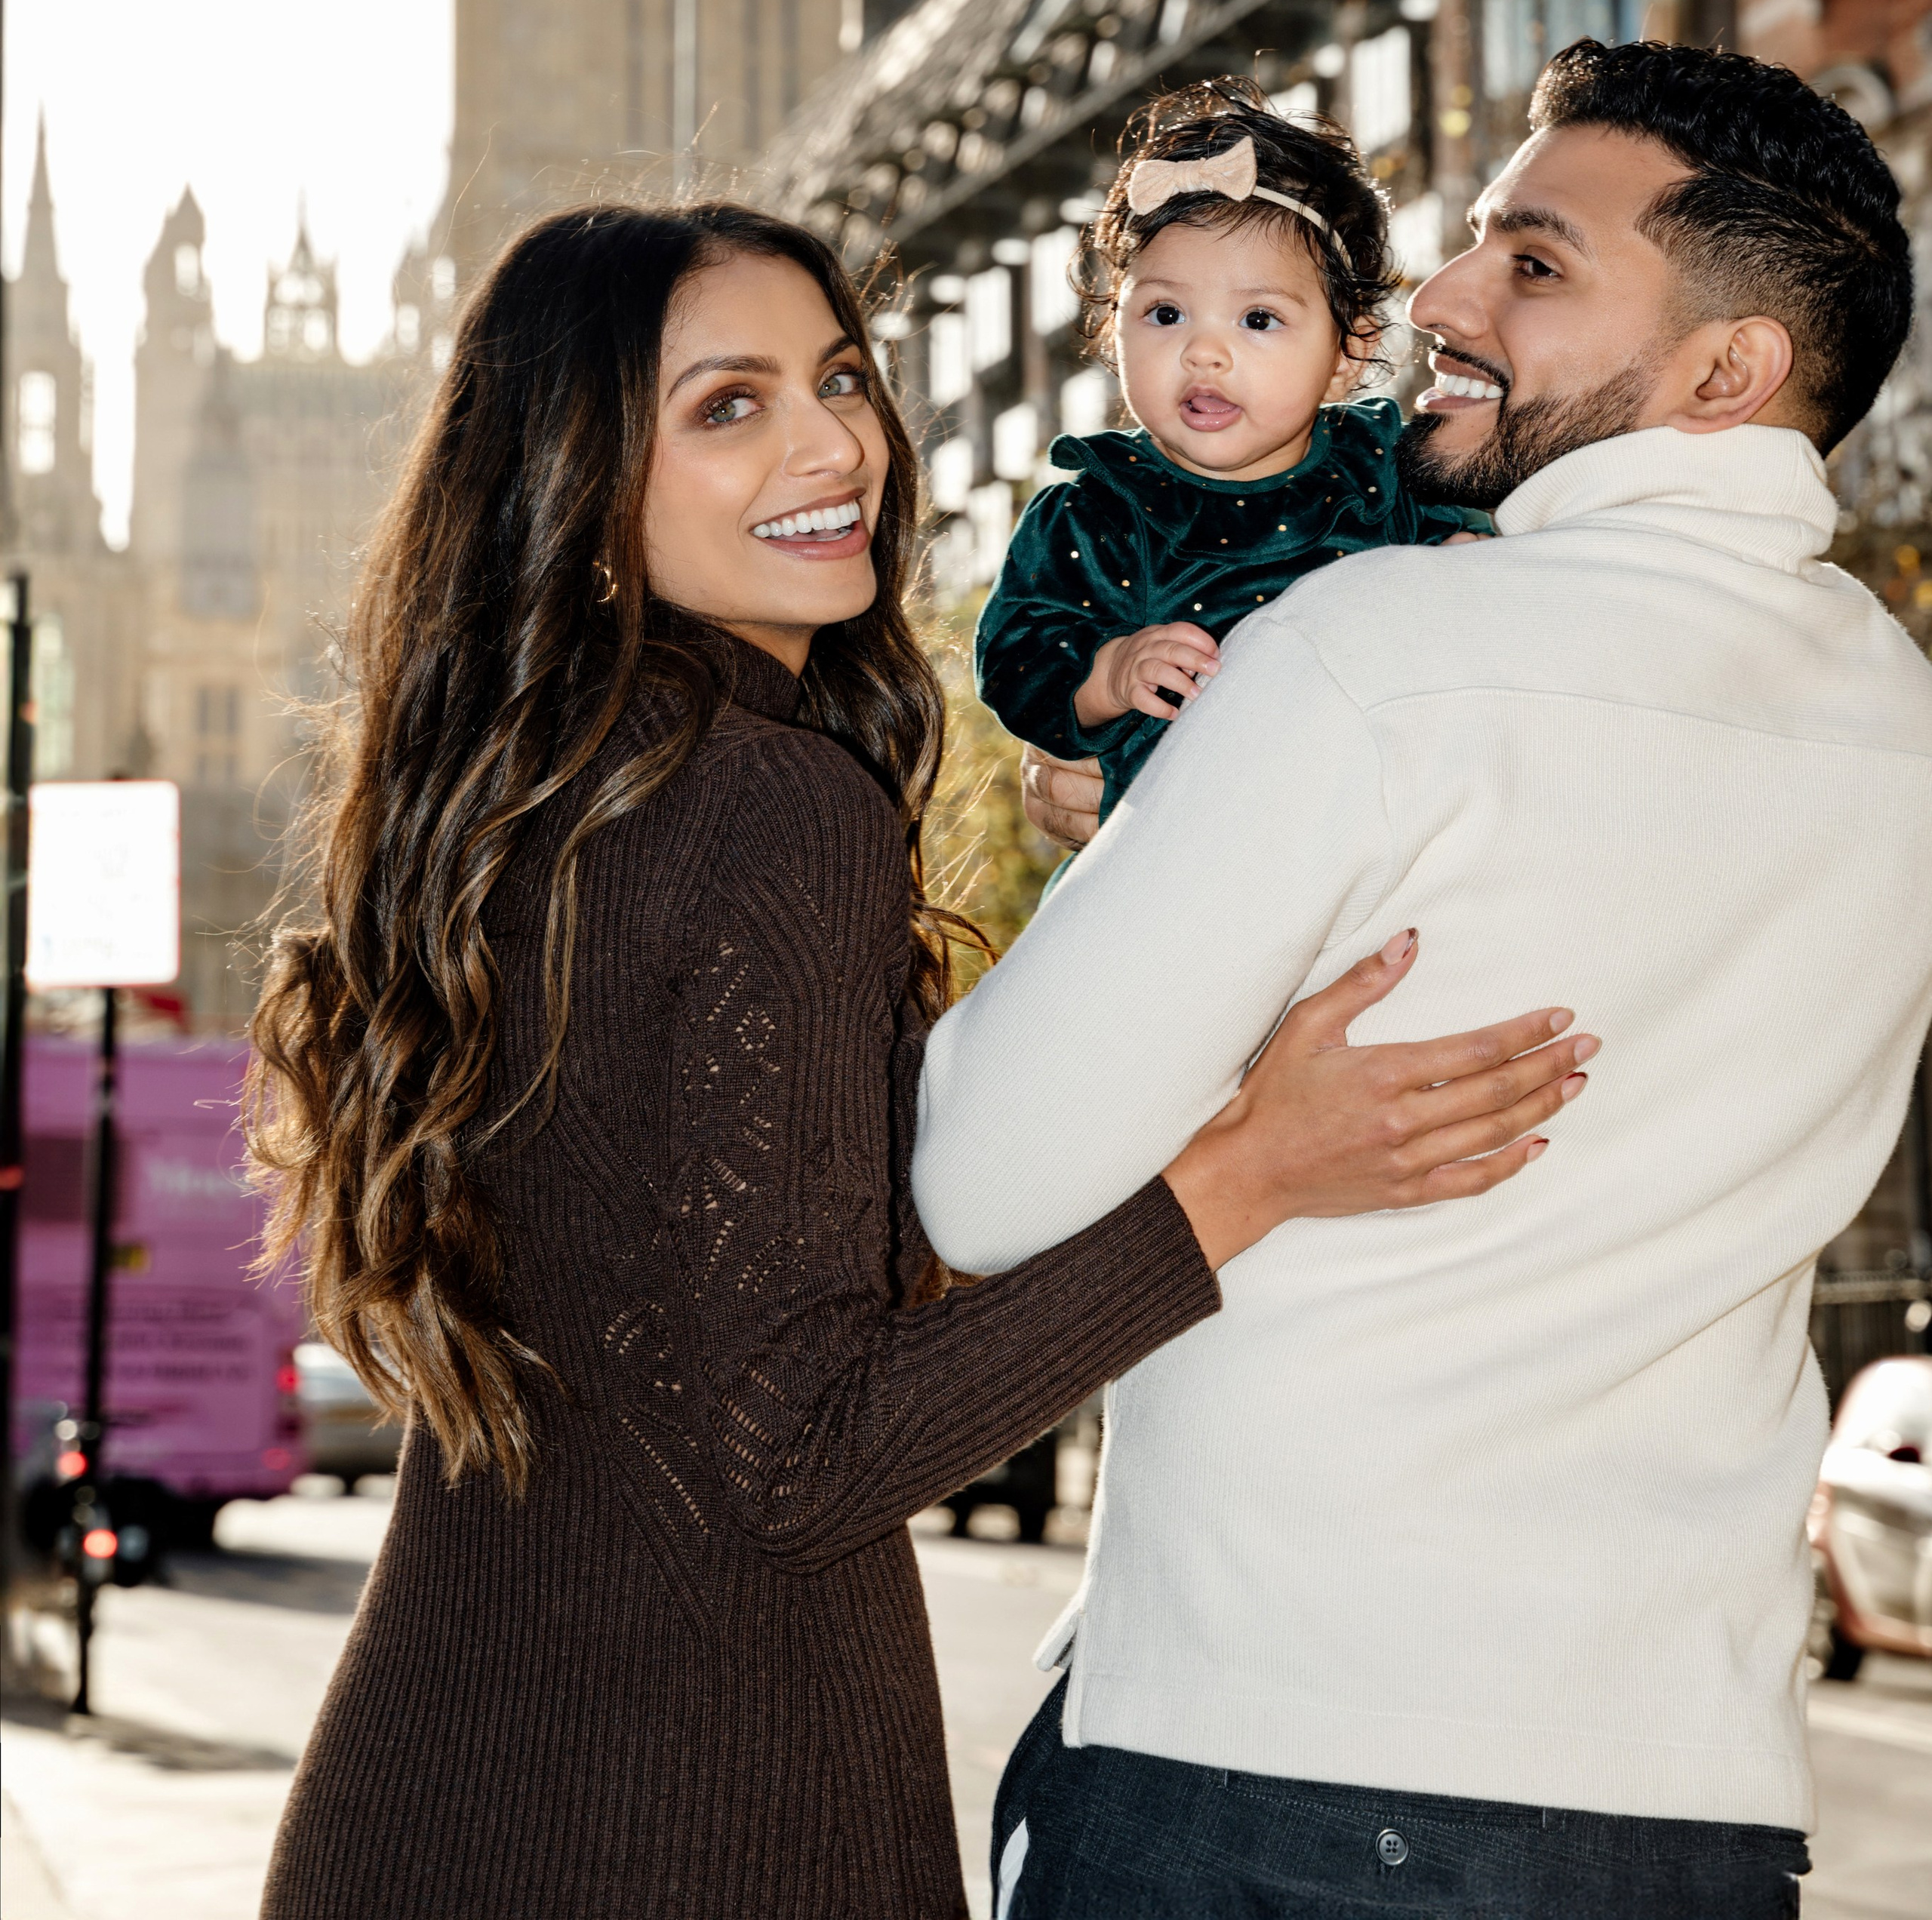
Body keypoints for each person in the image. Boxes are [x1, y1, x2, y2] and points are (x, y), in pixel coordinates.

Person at [245, 202, 1592, 1920]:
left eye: (839, 379)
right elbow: (802, 1449)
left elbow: (725, 1307)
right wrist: (1247, 1170)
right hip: (694, 1821)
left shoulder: (523, 811)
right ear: (578, 487)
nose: (834, 445)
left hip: (427, 1791)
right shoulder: (761, 808)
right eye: (727, 405)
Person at [912, 41, 1932, 1920]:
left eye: (1530, 265)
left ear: (1723, 371)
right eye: (1467, 244)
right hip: (1678, 1798)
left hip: (1258, 1751)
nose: (1440, 302)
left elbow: (977, 1178)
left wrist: (1128, 867)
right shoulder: (1900, 720)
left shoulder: (1360, 650)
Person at [975, 84, 1483, 823]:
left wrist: (1470, 567)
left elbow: (1488, 569)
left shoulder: (1388, 471)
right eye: (1165, 312)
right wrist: (1107, 674)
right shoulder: (1099, 510)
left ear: (1349, 351)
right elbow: (1017, 658)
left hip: (1367, 821)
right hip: (1181, 845)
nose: (1203, 351)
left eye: (1257, 317)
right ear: (1109, 329)